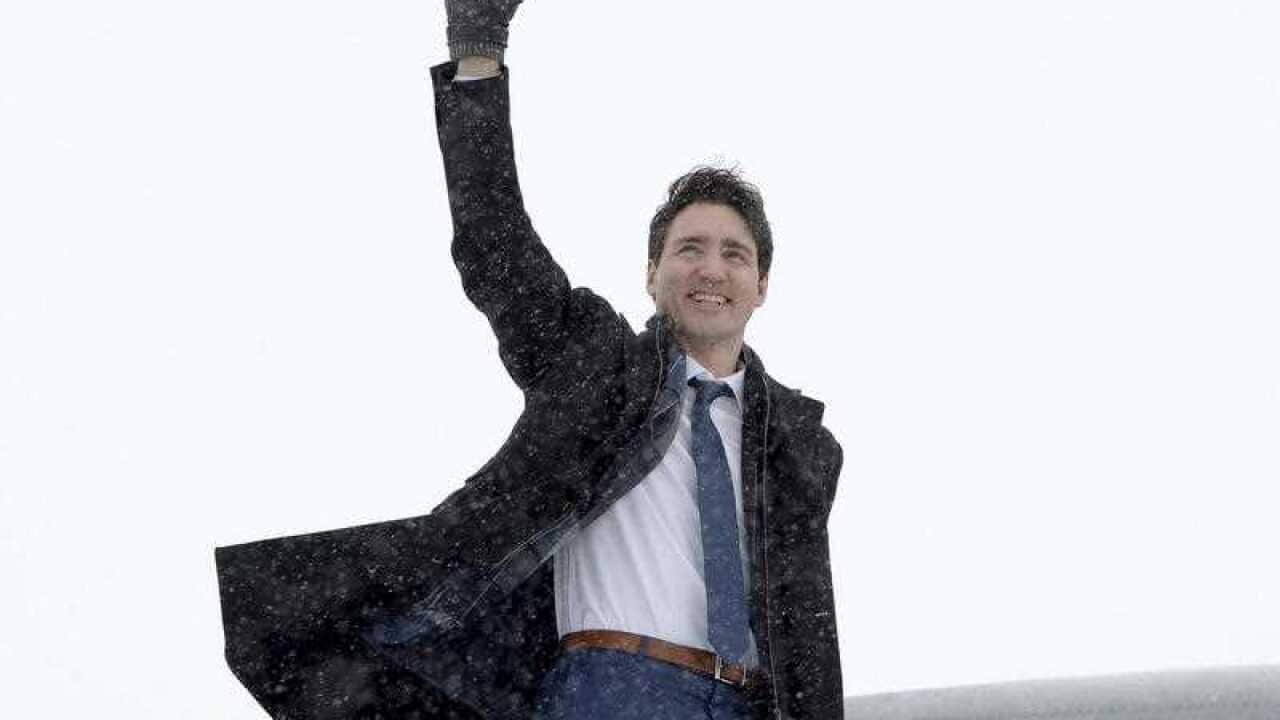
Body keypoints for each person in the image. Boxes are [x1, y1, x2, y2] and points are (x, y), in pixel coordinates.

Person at [214, 1, 844, 718]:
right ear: (651, 273)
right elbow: (495, 242)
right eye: (689, 248)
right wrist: (478, 47)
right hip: (612, 691)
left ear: (761, 285)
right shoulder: (599, 368)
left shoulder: (799, 444)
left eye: (735, 254)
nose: (711, 268)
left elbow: (808, 634)